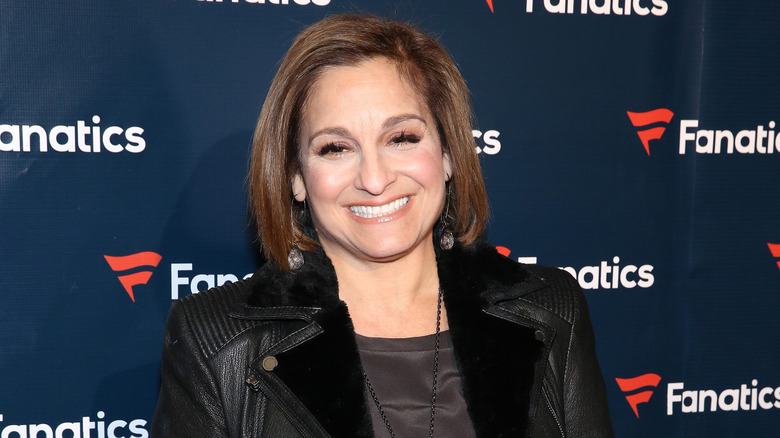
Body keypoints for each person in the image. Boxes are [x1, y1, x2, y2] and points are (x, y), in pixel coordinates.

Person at [152, 13, 613, 438]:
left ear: (449, 153)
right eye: (336, 147)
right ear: (296, 177)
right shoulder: (214, 340)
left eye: (402, 138)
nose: (375, 180)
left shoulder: (552, 309)